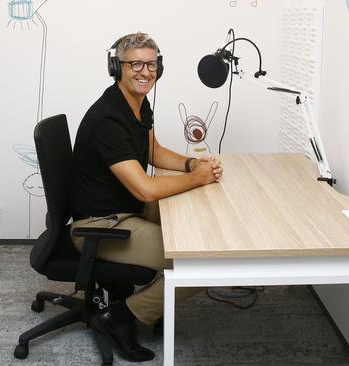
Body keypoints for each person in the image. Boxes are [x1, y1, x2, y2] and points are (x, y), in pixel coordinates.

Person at [70, 32, 223, 362]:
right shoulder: (107, 118)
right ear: (117, 68)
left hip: (124, 209)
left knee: (191, 227)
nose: (144, 72)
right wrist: (196, 179)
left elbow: (151, 150)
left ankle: (150, 306)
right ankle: (120, 317)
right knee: (198, 262)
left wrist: (190, 164)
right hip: (100, 225)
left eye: (151, 64)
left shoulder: (137, 103)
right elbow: (145, 189)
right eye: (135, 64)